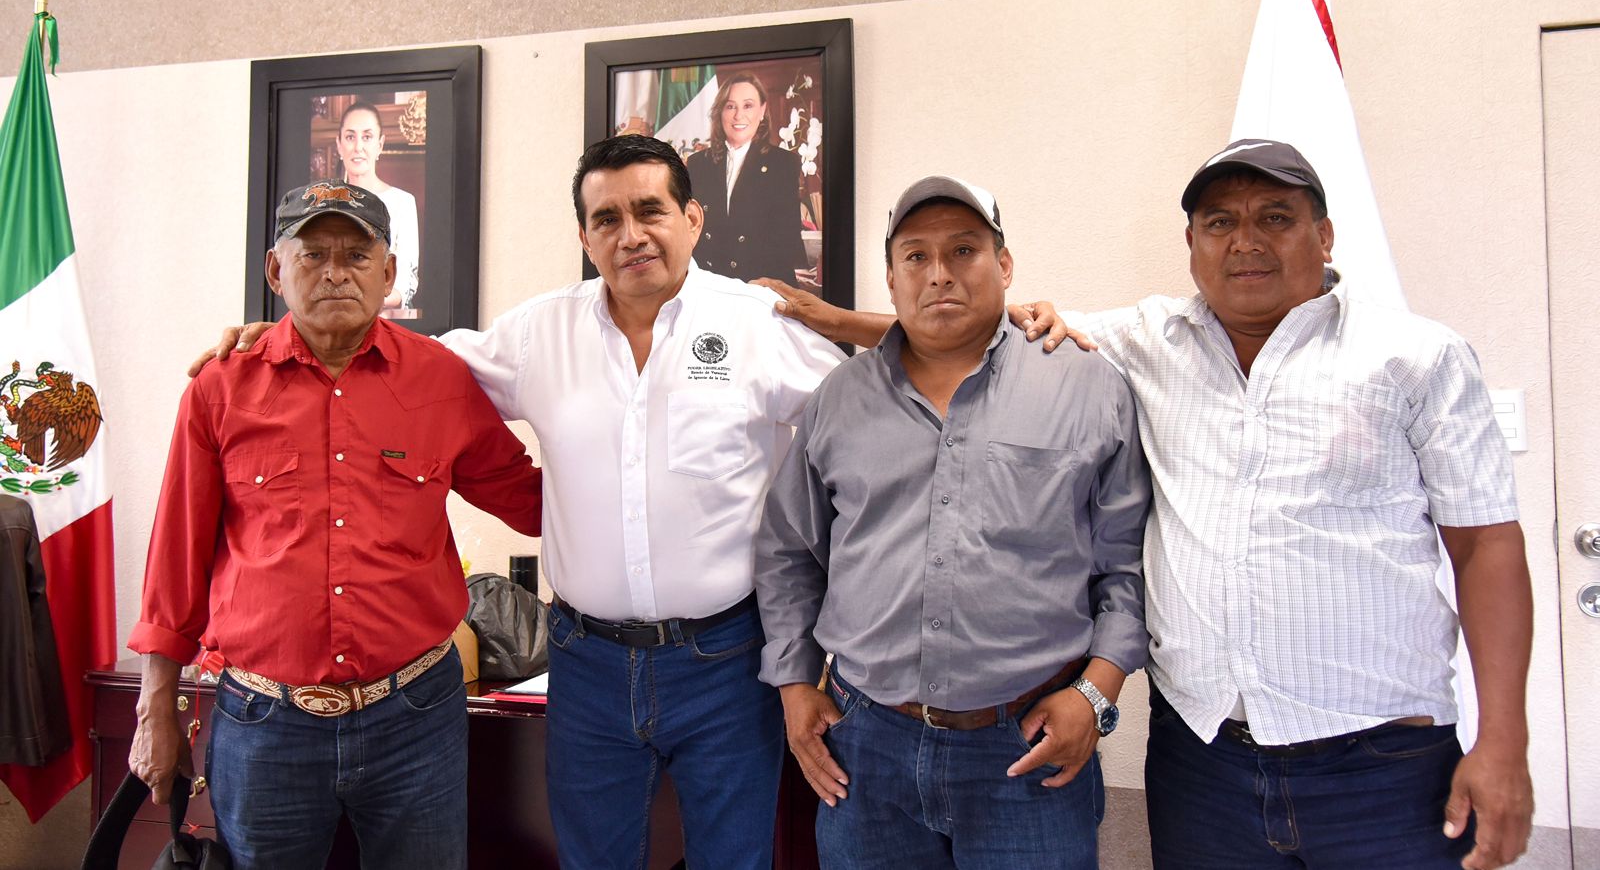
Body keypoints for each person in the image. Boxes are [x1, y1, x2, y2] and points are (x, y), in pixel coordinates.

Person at [196, 138, 1076, 867]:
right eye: (607, 219)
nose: (632, 235)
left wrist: (999, 322)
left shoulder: (755, 327)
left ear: (693, 219)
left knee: (734, 858)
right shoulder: (538, 334)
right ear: (585, 237)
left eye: (651, 211)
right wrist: (284, 334)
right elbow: (395, 360)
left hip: (728, 661)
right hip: (585, 665)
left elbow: (894, 381)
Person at [766, 139, 1535, 870]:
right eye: (1220, 222)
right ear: (1192, 243)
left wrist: (1503, 741)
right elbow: (958, 328)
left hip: (1382, 760)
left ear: (1325, 234)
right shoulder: (1147, 340)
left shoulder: (1416, 357)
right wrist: (833, 323)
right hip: (1201, 759)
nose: (1245, 241)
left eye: (1275, 217)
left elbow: (1487, 546)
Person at [130, 181, 542, 870]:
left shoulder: (441, 380)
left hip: (416, 718)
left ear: (388, 273)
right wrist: (154, 707)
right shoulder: (220, 388)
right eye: (313, 254)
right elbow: (176, 556)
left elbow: (533, 502)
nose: (335, 273)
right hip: (264, 725)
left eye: (356, 255)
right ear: (276, 271)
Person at [755, 175, 1151, 869]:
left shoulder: (1087, 387)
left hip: (1028, 748)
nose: (939, 273)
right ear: (892, 277)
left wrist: (1097, 693)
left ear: (1005, 265)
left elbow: (1129, 565)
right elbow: (789, 552)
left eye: (964, 250)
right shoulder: (837, 400)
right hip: (865, 747)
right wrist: (793, 682)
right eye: (916, 256)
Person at [687, 71, 809, 282]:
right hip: (710, 285)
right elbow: (689, 233)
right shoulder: (698, 163)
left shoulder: (783, 164)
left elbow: (786, 240)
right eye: (730, 106)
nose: (738, 116)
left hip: (762, 286)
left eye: (748, 106)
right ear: (720, 112)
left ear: (762, 111)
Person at [336, 101, 420, 313]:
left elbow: (405, 283)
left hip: (384, 316)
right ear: (339, 144)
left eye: (367, 137)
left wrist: (360, 299)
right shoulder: (324, 203)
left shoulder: (403, 202)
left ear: (380, 144)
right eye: (350, 137)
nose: (358, 147)